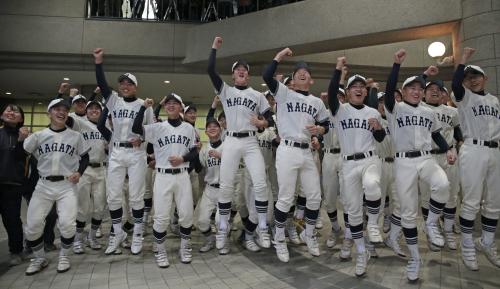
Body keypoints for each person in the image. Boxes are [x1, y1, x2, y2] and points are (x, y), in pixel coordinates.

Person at [384, 49, 455, 282]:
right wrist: (396, 65)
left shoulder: (428, 111)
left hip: (426, 158)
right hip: (403, 161)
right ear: (402, 92)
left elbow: (437, 135)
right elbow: (388, 90)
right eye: (411, 88)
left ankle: (432, 223)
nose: (416, 91)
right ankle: (414, 257)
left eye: (419, 89)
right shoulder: (395, 109)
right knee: (407, 212)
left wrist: (449, 149)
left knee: (443, 184)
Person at [207, 36, 275, 251]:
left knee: (261, 183)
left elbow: (269, 121)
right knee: (226, 187)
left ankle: (262, 228)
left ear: (248, 74)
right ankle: (223, 231)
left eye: (245, 69)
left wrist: (261, 122)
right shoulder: (226, 91)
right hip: (232, 141)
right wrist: (214, 49)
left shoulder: (257, 95)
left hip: (251, 141)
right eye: (238, 69)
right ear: (234, 74)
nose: (242, 71)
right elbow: (210, 70)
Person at [263, 48, 330, 262]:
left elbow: (325, 124)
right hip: (288, 150)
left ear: (311, 80)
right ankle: (279, 239)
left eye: (306, 72)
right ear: (293, 78)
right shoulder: (284, 93)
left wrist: (320, 132)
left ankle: (308, 234)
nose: (302, 73)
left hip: (307, 152)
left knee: (314, 196)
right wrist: (279, 57)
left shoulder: (317, 102)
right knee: (285, 197)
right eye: (298, 71)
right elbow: (266, 76)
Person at [93, 47, 155, 255]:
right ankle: (117, 232)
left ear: (136, 87)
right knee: (113, 196)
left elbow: (152, 132)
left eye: (129, 83)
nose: (125, 86)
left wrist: (143, 138)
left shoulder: (144, 105)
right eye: (122, 83)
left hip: (136, 154)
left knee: (136, 197)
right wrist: (98, 63)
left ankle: (137, 234)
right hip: (117, 152)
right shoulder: (114, 101)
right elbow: (102, 84)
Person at [23, 98, 90, 275]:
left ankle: (64, 256)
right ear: (49, 113)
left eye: (64, 110)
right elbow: (21, 154)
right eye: (56, 109)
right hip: (43, 184)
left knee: (68, 224)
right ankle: (39, 258)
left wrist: (79, 173)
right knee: (32, 225)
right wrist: (22, 137)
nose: (61, 112)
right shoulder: (38, 135)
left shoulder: (75, 136)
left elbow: (85, 157)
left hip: (67, 184)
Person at [132, 94, 198, 267]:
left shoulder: (188, 128)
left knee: (186, 215)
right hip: (162, 176)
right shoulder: (158, 127)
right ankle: (160, 250)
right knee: (161, 217)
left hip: (182, 175)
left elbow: (194, 152)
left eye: (175, 103)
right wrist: (143, 107)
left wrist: (183, 159)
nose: (171, 105)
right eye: (168, 103)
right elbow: (136, 127)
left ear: (181, 107)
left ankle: (185, 247)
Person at [452, 47, 500, 270]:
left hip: (495, 151)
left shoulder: (495, 100)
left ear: (485, 78)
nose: (472, 81)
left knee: (494, 202)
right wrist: (462, 60)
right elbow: (455, 86)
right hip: (473, 149)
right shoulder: (463, 97)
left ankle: (487, 242)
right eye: (468, 78)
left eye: (476, 76)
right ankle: (467, 245)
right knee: (471, 201)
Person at [72, 99, 108, 254]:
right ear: (86, 111)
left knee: (100, 206)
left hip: (101, 169)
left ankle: (92, 237)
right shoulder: (79, 123)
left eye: (97, 108)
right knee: (82, 207)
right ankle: (77, 239)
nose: (94, 110)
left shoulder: (105, 126)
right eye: (90, 108)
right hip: (85, 169)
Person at [0, 104, 29, 266]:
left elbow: (22, 156)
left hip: (13, 185)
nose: (10, 112)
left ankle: (16, 251)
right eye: (8, 110)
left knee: (12, 221)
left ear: (21, 118)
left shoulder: (25, 136)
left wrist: (20, 141)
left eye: (15, 111)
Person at [196, 118, 225, 254]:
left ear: (220, 130)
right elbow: (201, 170)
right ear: (206, 132)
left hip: (225, 189)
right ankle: (210, 240)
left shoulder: (227, 146)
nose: (212, 128)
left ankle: (224, 242)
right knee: (201, 221)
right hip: (209, 188)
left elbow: (236, 166)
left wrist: (222, 157)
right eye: (209, 127)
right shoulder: (204, 149)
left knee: (220, 221)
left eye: (215, 126)